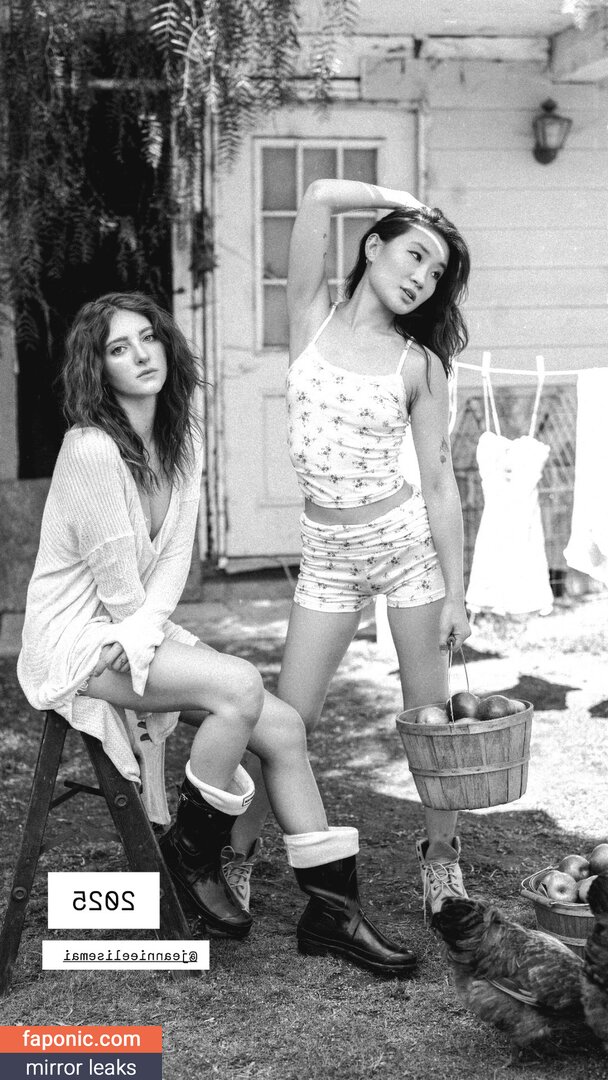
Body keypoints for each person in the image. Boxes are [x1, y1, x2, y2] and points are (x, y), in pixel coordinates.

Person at [16, 290, 416, 977]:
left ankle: (333, 914)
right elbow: (118, 587)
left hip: (137, 626)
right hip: (79, 639)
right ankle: (190, 859)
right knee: (238, 687)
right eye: (119, 348)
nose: (142, 356)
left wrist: (151, 636)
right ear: (98, 368)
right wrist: (147, 640)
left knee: (282, 727)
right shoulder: (90, 449)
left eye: (149, 338)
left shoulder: (180, 437)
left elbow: (174, 561)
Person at [225, 179, 473, 919]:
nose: (422, 278)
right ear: (374, 246)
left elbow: (439, 483)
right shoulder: (310, 317)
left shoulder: (417, 364)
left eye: (436, 272)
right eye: (414, 255)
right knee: (285, 719)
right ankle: (236, 855)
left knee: (429, 722)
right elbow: (316, 198)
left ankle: (443, 861)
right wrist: (402, 198)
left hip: (405, 550)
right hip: (327, 557)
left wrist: (457, 594)